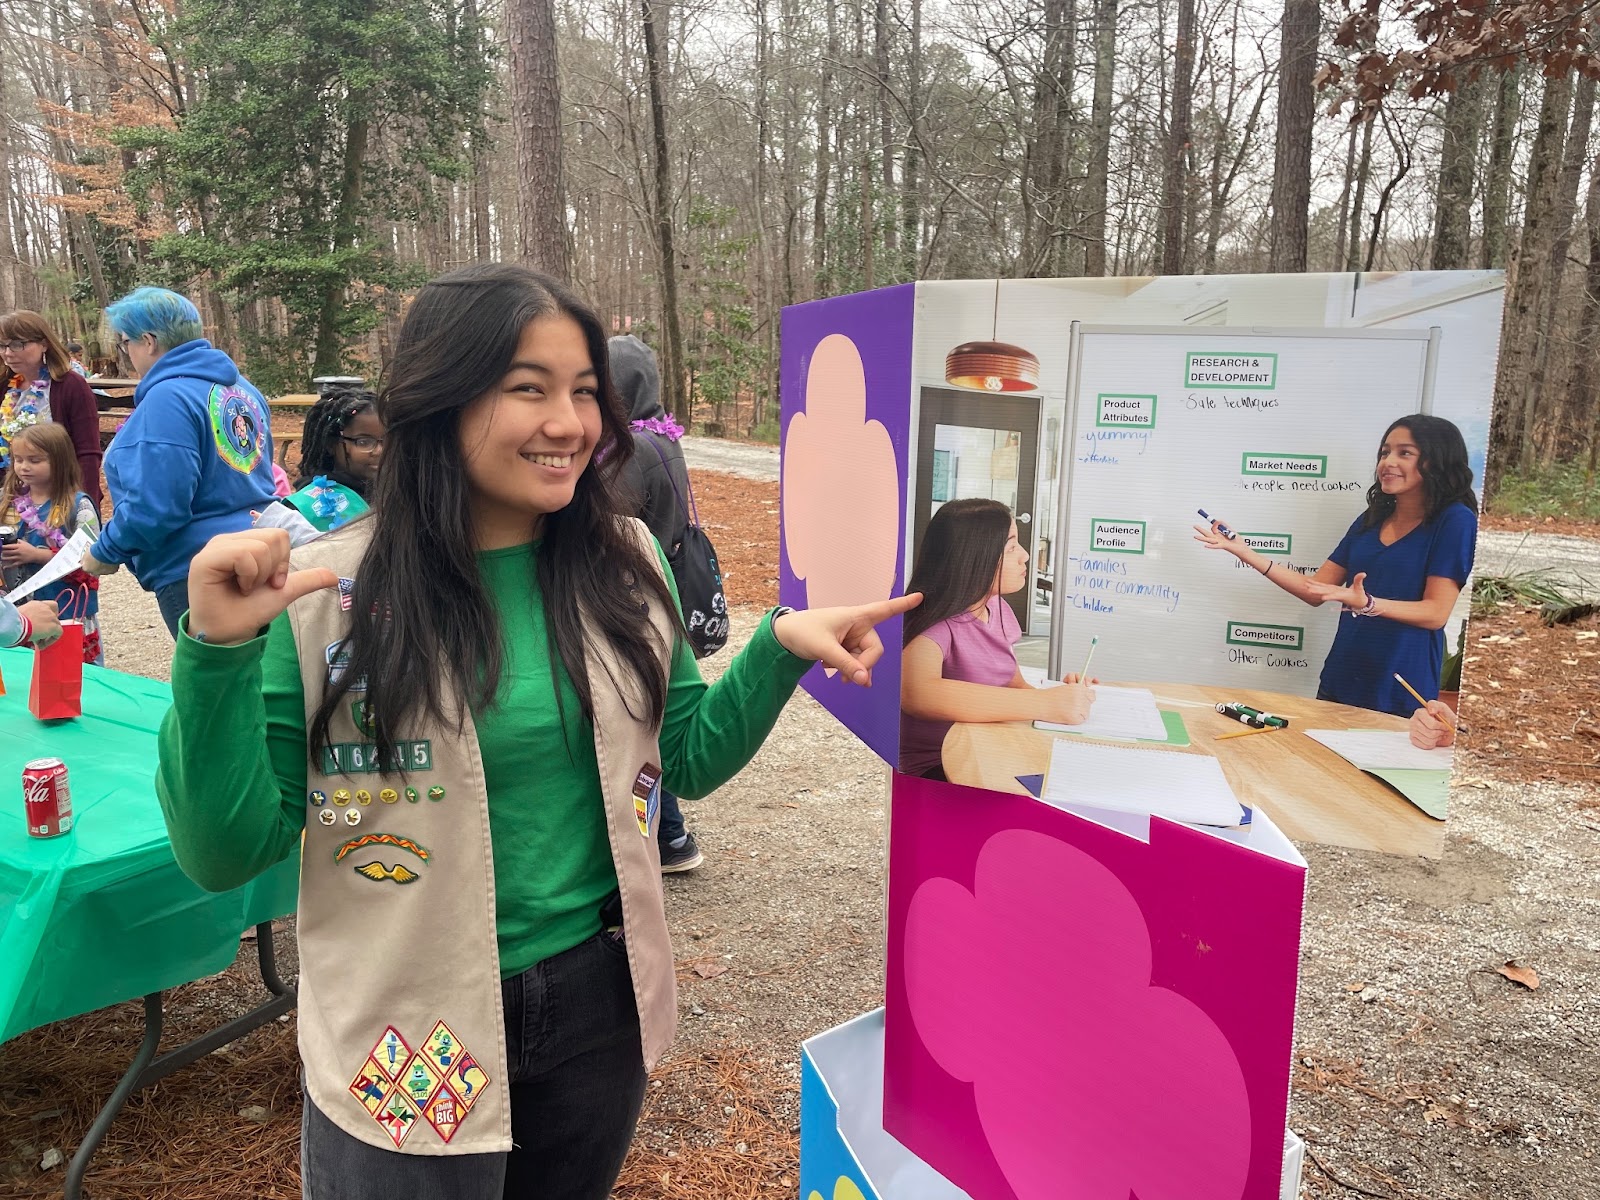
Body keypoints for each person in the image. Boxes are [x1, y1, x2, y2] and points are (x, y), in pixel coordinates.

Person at [155, 263, 916, 1200]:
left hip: (599, 1005)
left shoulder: (625, 561)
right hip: (411, 1017)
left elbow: (684, 757)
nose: (570, 422)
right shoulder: (322, 596)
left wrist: (778, 649)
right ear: (440, 396)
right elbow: (225, 852)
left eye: (586, 391)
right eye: (530, 388)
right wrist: (216, 657)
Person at [1194, 413, 1478, 718]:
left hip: (1399, 688)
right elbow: (1315, 590)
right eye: (1385, 452)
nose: (1387, 462)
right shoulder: (1371, 520)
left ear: (1438, 460)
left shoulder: (1455, 521)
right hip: (1342, 679)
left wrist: (1367, 603)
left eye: (1404, 453)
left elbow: (1435, 613)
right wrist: (1244, 551)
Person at [79, 287, 277, 637]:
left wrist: (107, 549)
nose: (127, 353)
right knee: (255, 680)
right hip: (260, 549)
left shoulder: (168, 399)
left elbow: (157, 506)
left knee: (215, 685)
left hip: (198, 571)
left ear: (149, 341)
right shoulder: (243, 389)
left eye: (126, 343)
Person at [900, 498, 1095, 780]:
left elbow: (1012, 683)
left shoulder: (998, 608)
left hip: (991, 749)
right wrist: (1045, 705)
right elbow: (917, 693)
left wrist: (1065, 699)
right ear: (974, 556)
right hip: (943, 769)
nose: (1025, 555)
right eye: (1012, 546)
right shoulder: (936, 622)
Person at [609, 334, 702, 873]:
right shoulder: (662, 436)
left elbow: (608, 520)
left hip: (634, 594)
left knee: (643, 719)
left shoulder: (631, 450)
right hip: (662, 587)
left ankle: (669, 837)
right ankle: (671, 834)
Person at [0, 423, 104, 664]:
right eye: (18, 459)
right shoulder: (7, 500)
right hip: (17, 611)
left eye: (34, 460)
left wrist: (38, 555)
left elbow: (94, 559)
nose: (24, 467)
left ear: (59, 460)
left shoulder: (79, 505)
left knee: (69, 672)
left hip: (66, 608)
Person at [0, 311, 102, 507]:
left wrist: (84, 505)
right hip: (11, 499)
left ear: (44, 344)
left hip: (59, 498)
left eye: (17, 344)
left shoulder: (71, 386)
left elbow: (87, 452)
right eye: (3, 345)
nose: (8, 353)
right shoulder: (5, 385)